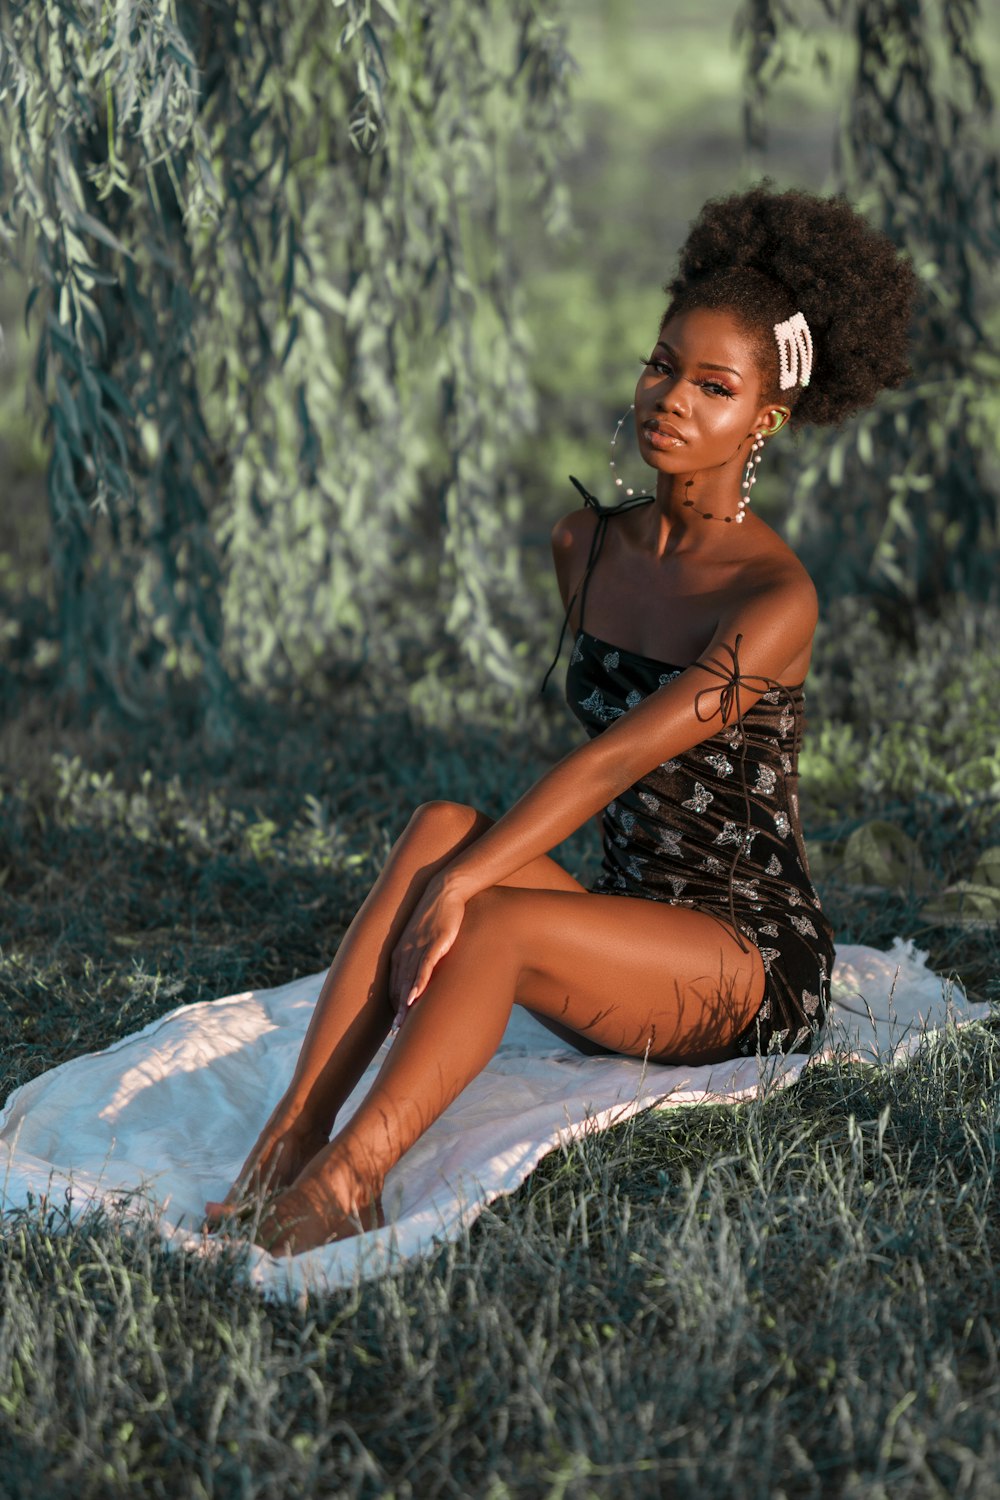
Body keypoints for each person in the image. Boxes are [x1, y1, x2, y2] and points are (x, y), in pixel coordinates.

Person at [204, 184, 916, 1255]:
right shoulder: (582, 544)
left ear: (761, 419)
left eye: (712, 386)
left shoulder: (774, 601)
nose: (670, 397)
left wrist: (466, 887)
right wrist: (461, 865)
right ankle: (285, 1146)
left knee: (483, 903)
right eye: (661, 362)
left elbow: (616, 758)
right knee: (444, 822)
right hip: (632, 916)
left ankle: (349, 1183)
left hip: (744, 962)